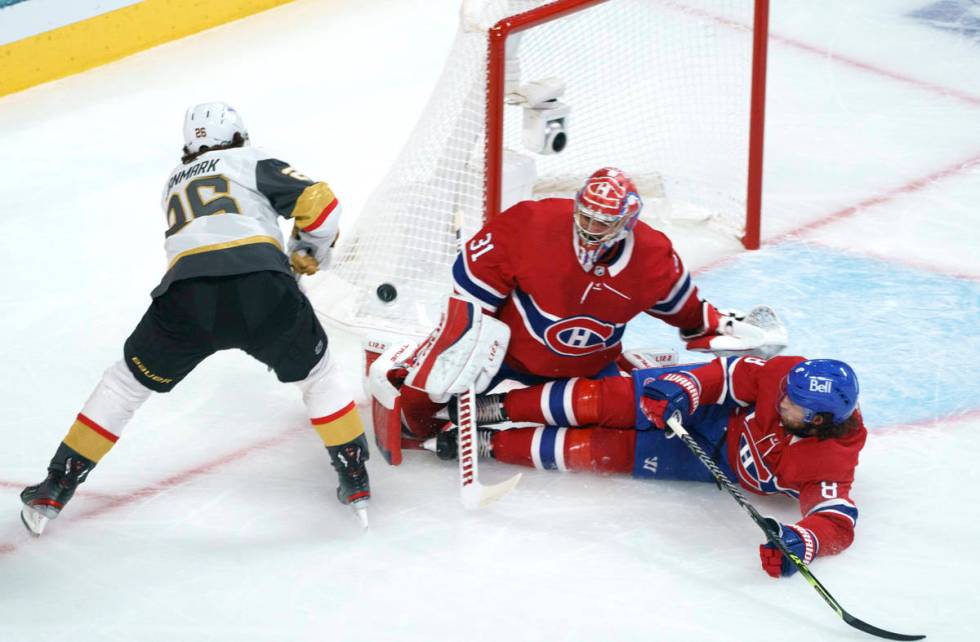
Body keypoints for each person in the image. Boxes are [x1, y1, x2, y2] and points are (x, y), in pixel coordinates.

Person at [20, 102, 371, 535]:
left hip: (187, 298)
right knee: (318, 375)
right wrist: (307, 249)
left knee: (125, 385)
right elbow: (321, 203)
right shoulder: (250, 158)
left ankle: (56, 486)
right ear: (239, 135)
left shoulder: (172, 181)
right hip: (262, 288)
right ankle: (355, 478)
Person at [380, 166, 786, 458]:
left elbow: (690, 315)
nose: (591, 229)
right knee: (423, 410)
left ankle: (497, 433)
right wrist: (466, 346)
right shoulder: (532, 222)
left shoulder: (653, 257)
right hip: (507, 357)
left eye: (602, 222)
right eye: (586, 217)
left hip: (589, 368)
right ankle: (410, 371)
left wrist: (726, 330)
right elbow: (468, 287)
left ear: (627, 222)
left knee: (629, 429)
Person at [431, 355, 866, 578]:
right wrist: (684, 389)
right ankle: (494, 407)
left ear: (820, 421)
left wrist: (800, 543)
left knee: (602, 451)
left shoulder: (829, 461)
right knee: (606, 400)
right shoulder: (784, 377)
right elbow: (724, 375)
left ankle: (489, 443)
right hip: (712, 412)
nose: (783, 400)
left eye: (795, 404)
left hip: (713, 462)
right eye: (788, 393)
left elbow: (835, 521)